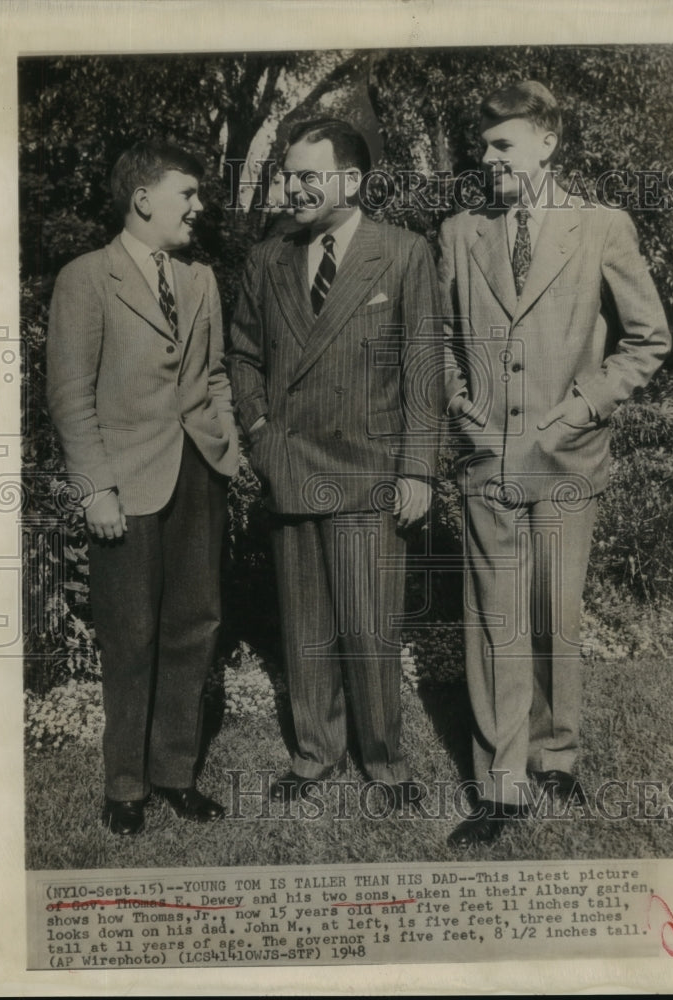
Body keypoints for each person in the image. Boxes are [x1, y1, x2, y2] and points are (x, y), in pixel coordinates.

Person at [438, 81, 671, 846]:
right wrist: (461, 406)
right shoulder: (460, 232)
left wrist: (583, 406)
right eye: (483, 146)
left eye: (502, 144)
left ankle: (557, 753)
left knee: (554, 612)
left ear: (547, 142)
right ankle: (502, 783)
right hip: (486, 458)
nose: (488, 158)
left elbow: (649, 339)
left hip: (569, 458)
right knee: (494, 620)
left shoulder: (601, 226)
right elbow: (439, 342)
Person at [229, 118, 444, 809]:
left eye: (307, 176)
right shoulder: (268, 258)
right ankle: (315, 755)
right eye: (288, 175)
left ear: (351, 181)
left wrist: (418, 469)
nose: (292, 188)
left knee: (369, 628)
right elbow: (243, 355)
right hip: (291, 464)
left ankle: (385, 763)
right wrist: (261, 432)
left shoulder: (404, 252)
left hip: (370, 471)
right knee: (306, 627)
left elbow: (423, 366)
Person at [47, 140, 238, 835]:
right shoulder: (86, 278)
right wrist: (95, 487)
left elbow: (214, 376)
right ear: (143, 198)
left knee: (196, 624)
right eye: (187, 193)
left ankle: (176, 774)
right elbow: (70, 396)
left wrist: (226, 448)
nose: (198, 206)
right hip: (125, 485)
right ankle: (125, 784)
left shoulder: (200, 278)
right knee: (129, 633)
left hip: (198, 474)